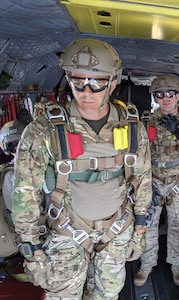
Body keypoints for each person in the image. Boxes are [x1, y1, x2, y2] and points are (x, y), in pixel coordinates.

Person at [12, 38, 152, 299]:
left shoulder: (132, 127)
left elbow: (142, 180)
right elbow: (25, 193)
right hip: (66, 232)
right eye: (78, 81)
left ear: (112, 83)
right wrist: (32, 250)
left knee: (108, 294)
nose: (87, 92)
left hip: (116, 230)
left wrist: (140, 232)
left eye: (96, 82)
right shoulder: (44, 130)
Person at [133, 74, 179, 287]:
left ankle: (176, 265)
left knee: (177, 226)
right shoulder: (144, 123)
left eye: (170, 94)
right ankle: (146, 265)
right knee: (148, 225)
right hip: (152, 181)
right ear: (155, 97)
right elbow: (134, 152)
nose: (166, 99)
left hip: (177, 182)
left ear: (178, 97)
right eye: (160, 94)